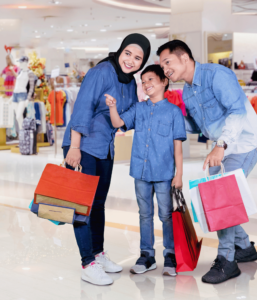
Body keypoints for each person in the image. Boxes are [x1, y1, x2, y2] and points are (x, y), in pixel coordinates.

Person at [157, 40, 257, 284]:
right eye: (161, 65)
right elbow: (201, 127)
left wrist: (221, 145)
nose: (165, 69)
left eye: (167, 62)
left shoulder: (217, 75)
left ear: (184, 58)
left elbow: (237, 111)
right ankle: (243, 247)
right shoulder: (187, 91)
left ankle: (227, 260)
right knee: (214, 201)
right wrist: (173, 117)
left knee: (223, 197)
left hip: (243, 142)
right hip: (221, 147)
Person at [62, 33, 151, 286]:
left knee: (98, 204)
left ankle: (98, 253)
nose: (131, 61)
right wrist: (75, 146)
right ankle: (87, 263)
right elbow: (83, 107)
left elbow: (124, 119)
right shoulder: (101, 72)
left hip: (105, 148)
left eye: (138, 58)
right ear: (120, 51)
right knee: (82, 206)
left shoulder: (130, 83)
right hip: (83, 145)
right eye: (128, 54)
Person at [105, 64, 187, 277]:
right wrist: (113, 107)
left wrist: (179, 174)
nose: (146, 84)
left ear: (164, 82)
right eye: (143, 81)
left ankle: (170, 254)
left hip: (164, 173)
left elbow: (178, 147)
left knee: (166, 215)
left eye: (150, 79)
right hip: (140, 172)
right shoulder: (138, 108)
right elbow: (119, 123)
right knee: (144, 215)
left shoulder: (174, 112)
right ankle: (147, 255)